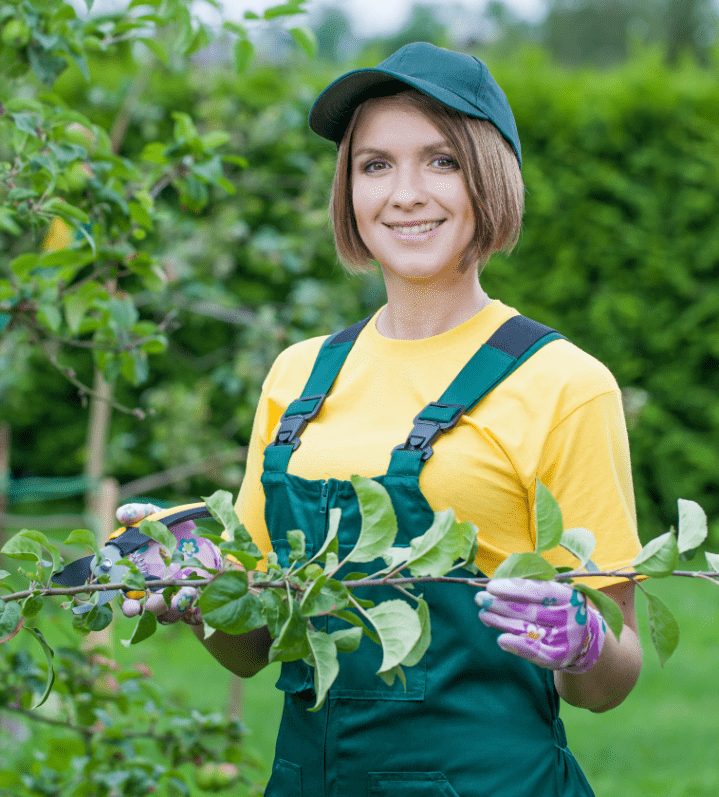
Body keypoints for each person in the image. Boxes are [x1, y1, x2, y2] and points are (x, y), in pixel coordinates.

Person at [120, 42, 644, 797]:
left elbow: (607, 683)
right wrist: (201, 594)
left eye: (441, 161)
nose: (404, 193)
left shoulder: (565, 384)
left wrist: (587, 643)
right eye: (375, 164)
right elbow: (256, 644)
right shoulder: (299, 376)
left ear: (489, 178)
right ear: (349, 191)